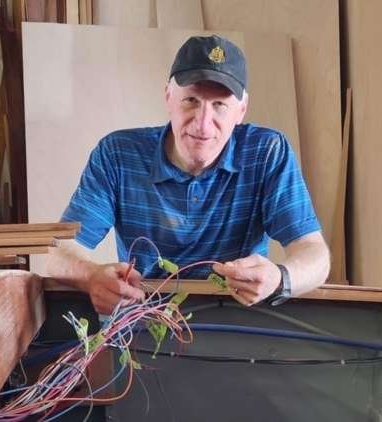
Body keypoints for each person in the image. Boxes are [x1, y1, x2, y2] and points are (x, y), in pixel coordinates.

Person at [46, 35, 330, 314]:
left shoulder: (266, 153)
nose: (203, 125)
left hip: (240, 320)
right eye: (191, 100)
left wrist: (280, 278)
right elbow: (59, 252)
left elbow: (315, 255)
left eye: (220, 105)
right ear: (169, 97)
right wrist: (92, 276)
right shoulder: (118, 155)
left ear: (241, 111)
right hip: (143, 321)